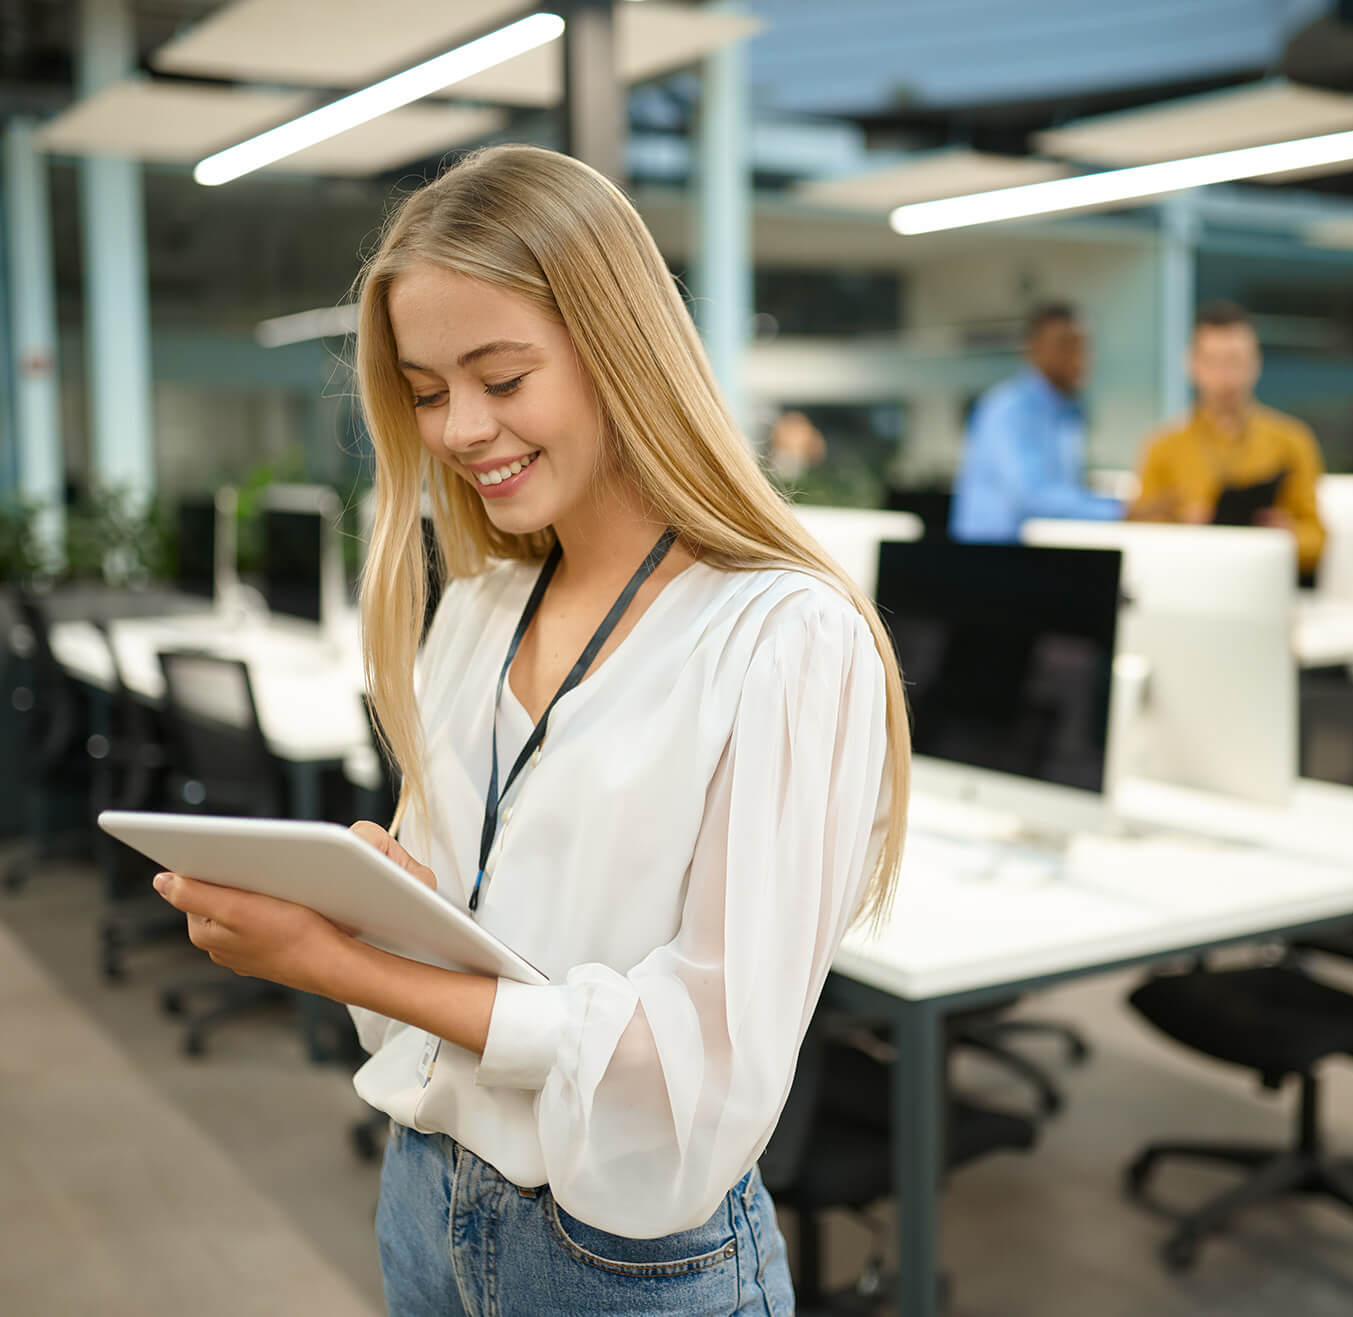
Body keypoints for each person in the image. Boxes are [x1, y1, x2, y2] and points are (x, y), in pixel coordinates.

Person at [150, 144, 911, 1316]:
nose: (459, 429)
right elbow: (485, 941)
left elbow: (701, 1058)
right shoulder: (482, 607)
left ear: (621, 353)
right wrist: (382, 897)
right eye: (425, 389)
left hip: (629, 1259)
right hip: (426, 1195)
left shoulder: (781, 637)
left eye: (503, 379)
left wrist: (341, 963)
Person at [1132, 300, 1327, 575]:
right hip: (1188, 579)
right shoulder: (1163, 446)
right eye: (1213, 361)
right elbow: (1139, 535)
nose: (1225, 377)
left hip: (1263, 578)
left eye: (1235, 361)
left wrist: (1285, 535)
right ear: (1192, 364)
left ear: (1255, 362)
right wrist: (1184, 527)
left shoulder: (1292, 440)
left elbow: (1318, 541)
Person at [949, 303, 1123, 542]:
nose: (1078, 357)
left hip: (1042, 551)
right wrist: (1121, 511)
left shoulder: (1068, 413)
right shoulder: (1007, 410)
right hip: (993, 557)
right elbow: (1032, 497)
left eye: (1083, 345)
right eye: (1065, 345)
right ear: (1033, 349)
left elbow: (1066, 493)